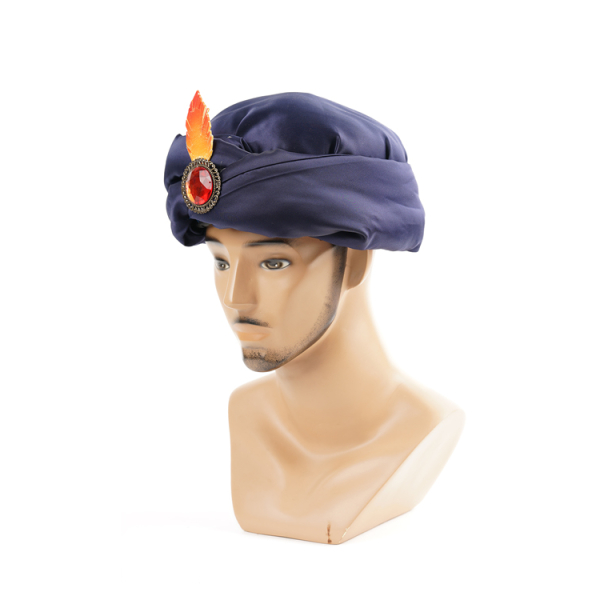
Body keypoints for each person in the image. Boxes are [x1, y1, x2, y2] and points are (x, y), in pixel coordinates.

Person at [164, 92, 465, 544]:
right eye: (221, 261)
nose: (235, 297)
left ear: (356, 262)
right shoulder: (247, 414)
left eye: (273, 263)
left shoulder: (423, 426)